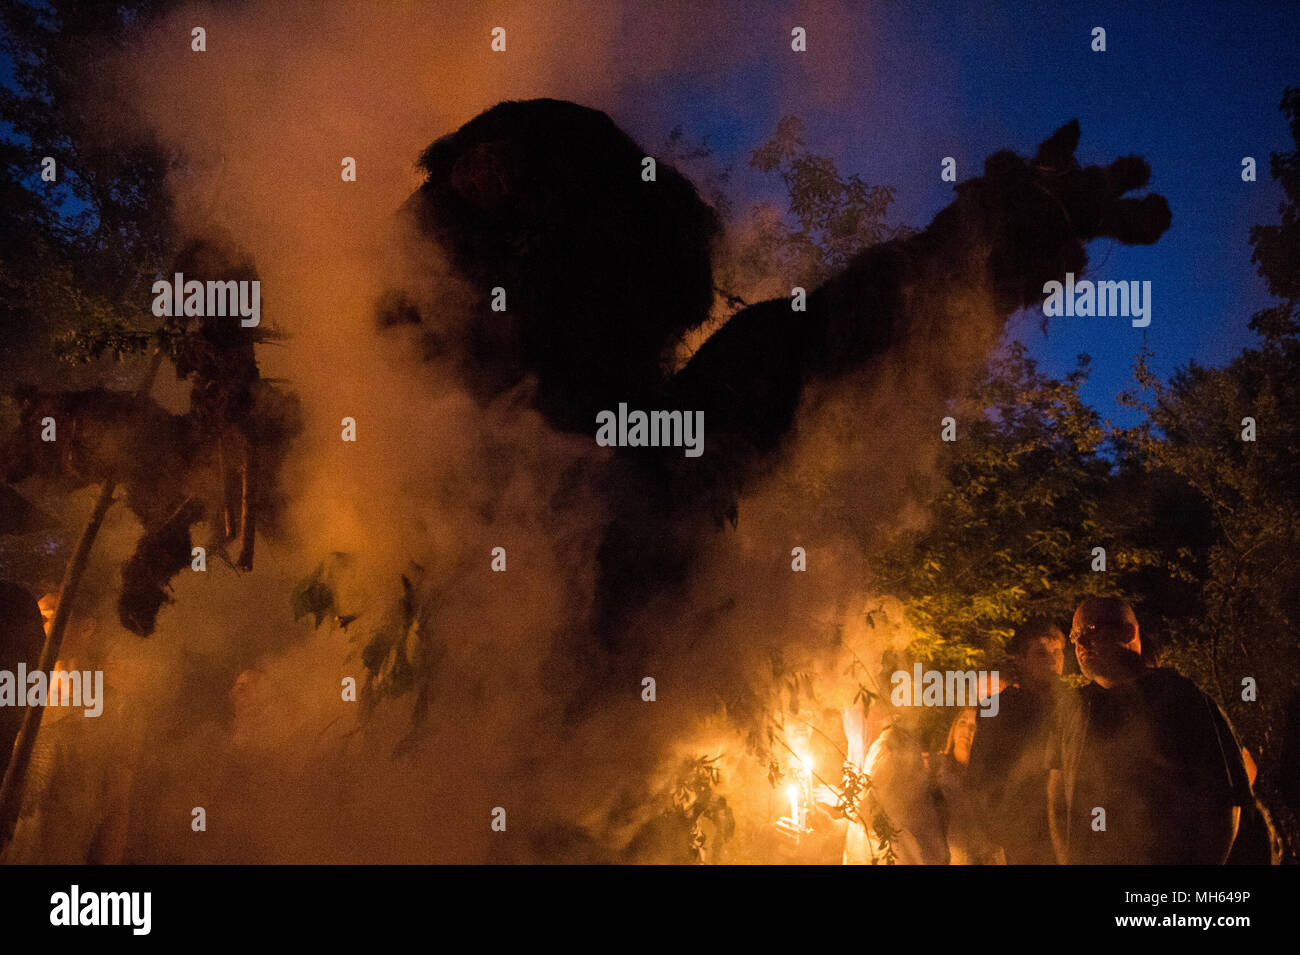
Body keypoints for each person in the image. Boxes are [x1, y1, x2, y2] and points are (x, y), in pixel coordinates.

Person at [1046, 596, 1253, 864]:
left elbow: (1221, 802)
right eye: (1075, 635)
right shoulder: (1073, 709)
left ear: (1128, 632)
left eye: (1091, 630)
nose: (1080, 643)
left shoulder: (1180, 699)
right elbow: (1057, 793)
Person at [967, 617, 1065, 864]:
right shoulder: (998, 708)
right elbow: (980, 777)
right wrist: (995, 834)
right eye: (1041, 653)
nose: (1052, 659)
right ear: (1022, 660)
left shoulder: (1080, 704)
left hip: (1073, 830)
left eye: (1057, 651)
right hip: (1023, 836)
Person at [935, 707, 1002, 864]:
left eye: (974, 726)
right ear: (954, 729)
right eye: (962, 722)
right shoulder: (936, 770)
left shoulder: (990, 778)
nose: (967, 729)